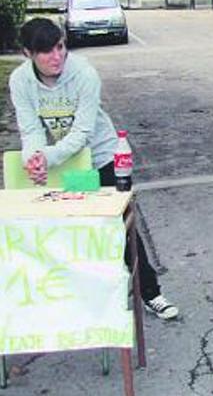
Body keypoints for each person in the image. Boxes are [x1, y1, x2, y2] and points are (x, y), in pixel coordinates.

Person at [8, 17, 179, 321]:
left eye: (60, 47)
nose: (56, 56)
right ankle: (73, 293)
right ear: (27, 54)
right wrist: (33, 158)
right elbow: (30, 129)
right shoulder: (20, 81)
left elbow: (83, 133)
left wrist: (47, 157)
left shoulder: (84, 73)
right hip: (63, 164)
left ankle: (151, 293)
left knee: (119, 226)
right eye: (46, 52)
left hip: (101, 159)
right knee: (66, 227)